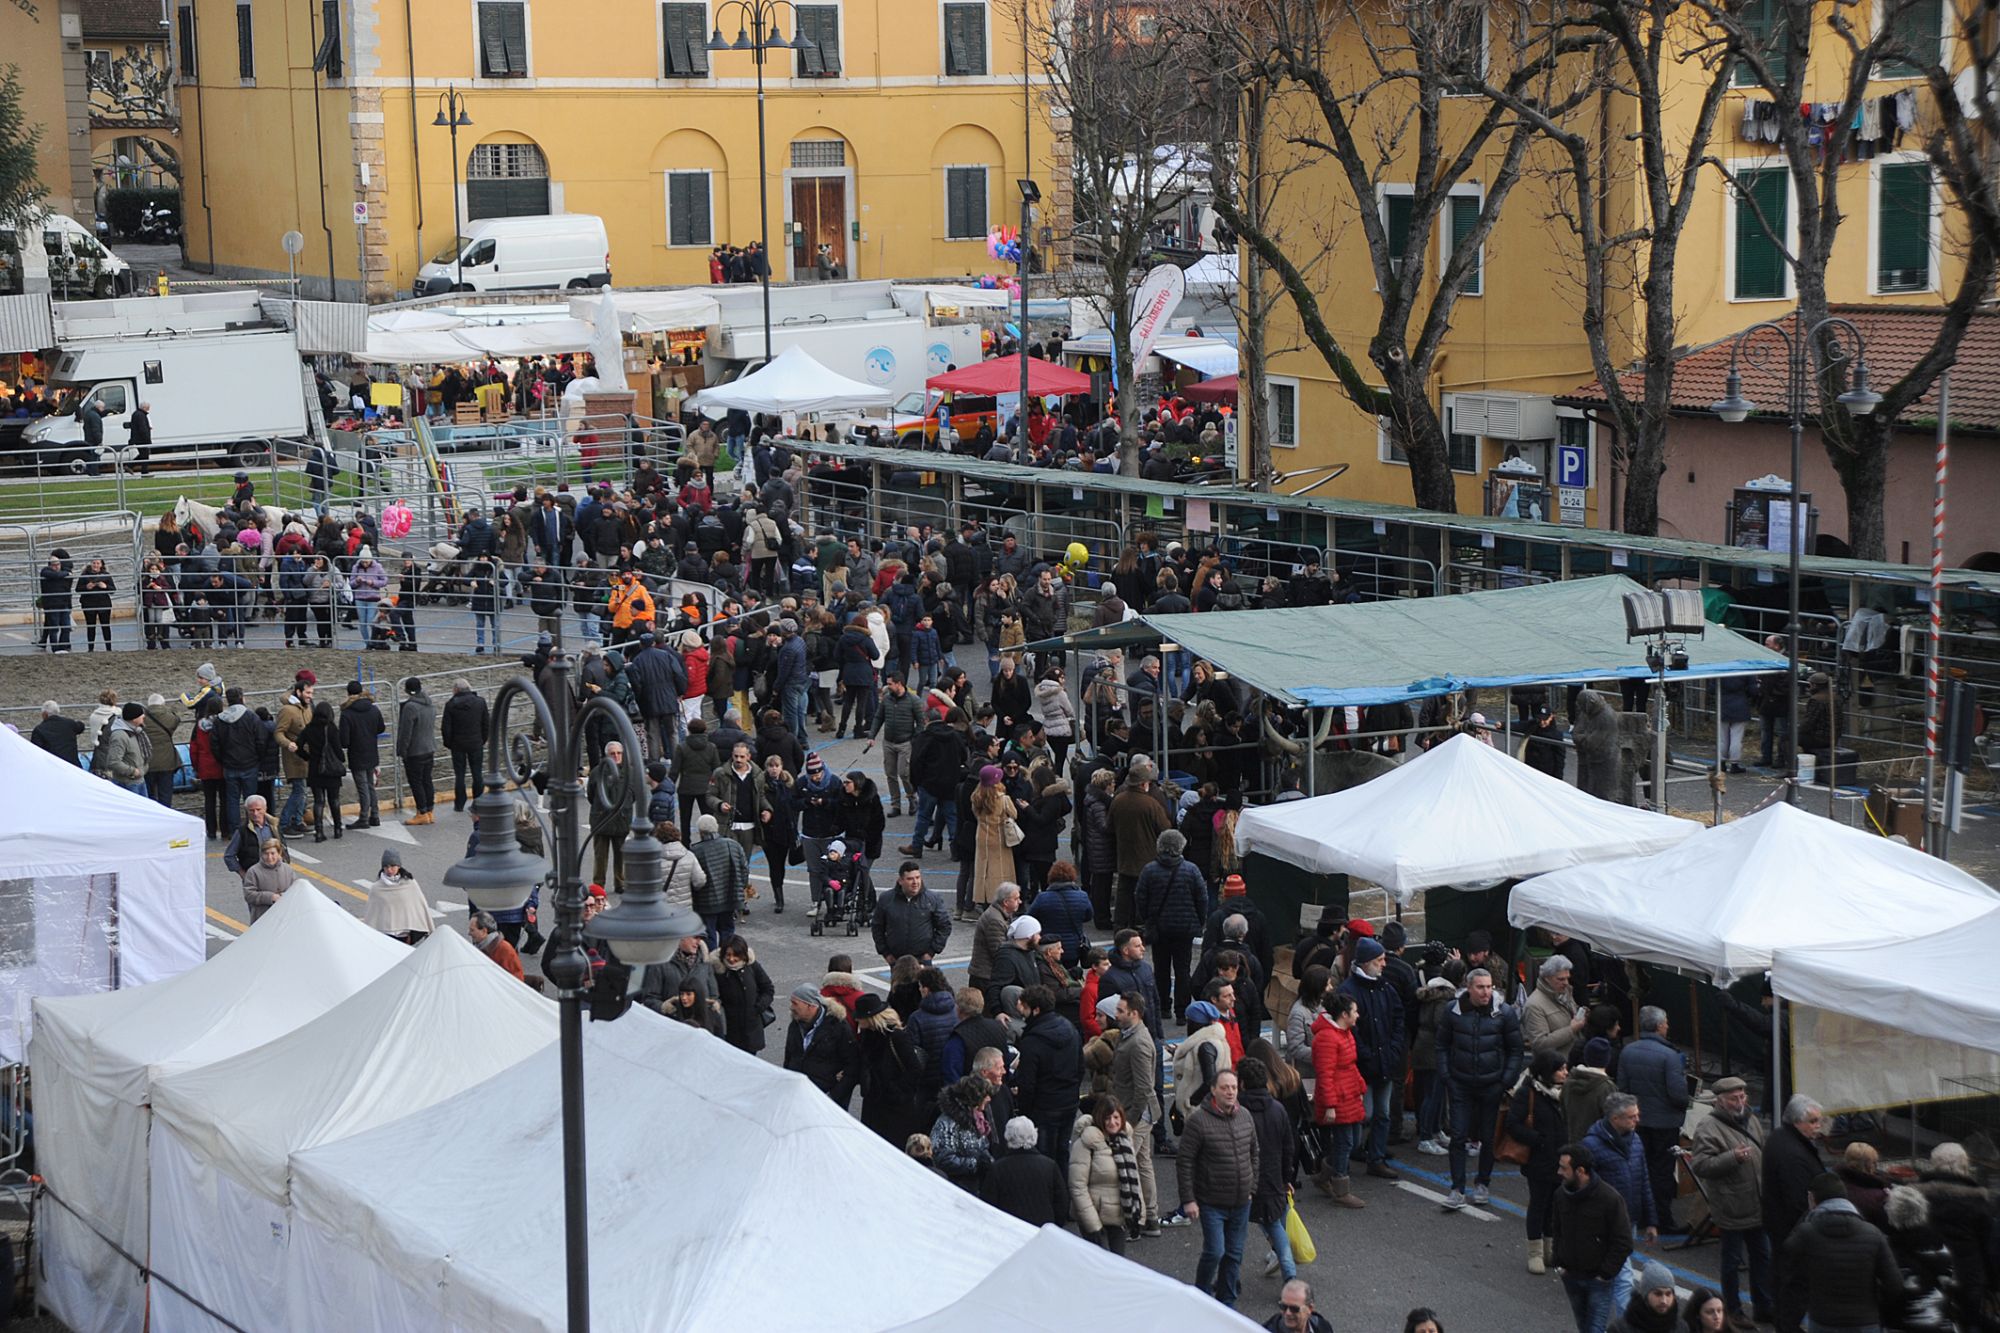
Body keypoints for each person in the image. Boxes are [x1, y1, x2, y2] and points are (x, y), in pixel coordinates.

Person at [1436, 966, 1525, 1210]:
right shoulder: (1452, 1011)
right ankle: (1457, 1189)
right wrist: (1447, 1076)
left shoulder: (1504, 1013)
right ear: (1469, 987)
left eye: (1489, 987)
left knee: (1487, 1137)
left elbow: (1516, 1050)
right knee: (1458, 1136)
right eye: (1481, 987)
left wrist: (1505, 1081)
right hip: (1460, 1084)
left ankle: (1482, 1183)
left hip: (1491, 1085)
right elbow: (1442, 1045)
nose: (1486, 992)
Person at [1688, 1075, 1772, 1326]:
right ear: (1720, 1101)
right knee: (1732, 1262)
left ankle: (1764, 1306)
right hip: (1732, 1205)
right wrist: (1732, 1157)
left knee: (1762, 1257)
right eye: (1734, 1098)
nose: (1740, 1102)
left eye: (1743, 1097)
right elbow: (1701, 1165)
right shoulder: (1708, 1127)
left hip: (1756, 1202)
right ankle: (1733, 1310)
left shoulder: (1751, 1119)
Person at [1178, 1069, 1260, 1310]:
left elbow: (1255, 1152)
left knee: (1234, 1255)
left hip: (1241, 1202)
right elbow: (1184, 1161)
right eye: (1225, 1087)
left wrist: (1252, 1187)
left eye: (1233, 1087)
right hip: (1212, 1202)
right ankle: (1201, 1295)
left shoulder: (1245, 1116)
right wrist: (1189, 1200)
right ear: (1213, 1090)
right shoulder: (1198, 1121)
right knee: (1215, 1251)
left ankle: (1226, 1305)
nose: (1230, 1092)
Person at [1781, 1173, 1902, 1333]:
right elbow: (1894, 1284)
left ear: (1812, 1198)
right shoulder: (1873, 1234)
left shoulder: (1806, 1233)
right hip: (1865, 1322)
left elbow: (1789, 1271)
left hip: (1823, 1321)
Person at [1585, 1093, 1660, 1317]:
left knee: (1613, 1277)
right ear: (1615, 1119)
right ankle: (1630, 1325)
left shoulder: (1635, 1140)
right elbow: (1585, 1189)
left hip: (1630, 1219)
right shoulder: (1591, 1146)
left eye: (1637, 1115)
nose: (1637, 1120)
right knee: (1623, 1277)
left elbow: (1643, 1180)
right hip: (1606, 1223)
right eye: (1632, 1117)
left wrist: (1652, 1221)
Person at [1338, 933, 1405, 1183]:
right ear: (1366, 961)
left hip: (1384, 1060)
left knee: (1382, 1113)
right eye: (1379, 960)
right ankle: (1348, 1155)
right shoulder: (1348, 991)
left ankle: (1375, 1158)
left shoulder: (1385, 987)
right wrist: (1366, 1054)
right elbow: (1349, 1029)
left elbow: (1398, 1018)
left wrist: (1394, 1048)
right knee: (1362, 1114)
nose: (1384, 964)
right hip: (1363, 1066)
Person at [1619, 1005, 1691, 1233]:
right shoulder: (1670, 1057)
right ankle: (1661, 1218)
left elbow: (1622, 1088)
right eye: (1666, 1022)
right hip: (1665, 1123)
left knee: (1640, 1167)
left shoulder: (1628, 1051)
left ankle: (1640, 1214)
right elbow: (1678, 1094)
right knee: (1662, 1171)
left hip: (1637, 1121)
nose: (1668, 1026)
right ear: (1660, 1026)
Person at [1553, 1142, 1635, 1333]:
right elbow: (1557, 1229)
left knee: (1595, 1329)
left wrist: (1605, 1273)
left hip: (1598, 1280)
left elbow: (1623, 1242)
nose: (1559, 1172)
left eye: (1564, 1168)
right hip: (1571, 1276)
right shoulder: (1560, 1195)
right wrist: (1559, 1261)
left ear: (1580, 1171)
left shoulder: (1610, 1199)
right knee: (1583, 1326)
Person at [1766, 1094, 1827, 1332]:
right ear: (1796, 1121)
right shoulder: (1793, 1155)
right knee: (1795, 1284)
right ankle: (1787, 1325)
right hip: (1792, 1230)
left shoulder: (1780, 1137)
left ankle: (1784, 1322)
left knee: (1784, 1279)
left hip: (1780, 1226)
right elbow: (1798, 1202)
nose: (1817, 1127)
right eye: (1812, 1121)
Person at [1135, 828, 1210, 1023]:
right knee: (1182, 970)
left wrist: (1148, 919)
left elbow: (1140, 898)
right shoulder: (1191, 870)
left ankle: (1163, 1008)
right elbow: (1202, 899)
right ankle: (1182, 1010)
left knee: (1160, 969)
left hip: (1159, 928)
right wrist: (1199, 921)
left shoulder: (1149, 870)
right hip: (1184, 928)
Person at [1238, 1056, 1299, 1285]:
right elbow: (1288, 1146)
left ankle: (1288, 1273)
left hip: (1245, 1179)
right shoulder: (1277, 1109)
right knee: (1276, 1222)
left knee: (1243, 1229)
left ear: (1241, 1083)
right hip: (1274, 1178)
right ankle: (1286, 1270)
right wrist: (1287, 1177)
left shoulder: (1238, 1111)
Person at [1510, 1048, 1569, 1274]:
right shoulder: (1528, 1093)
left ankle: (1550, 1248)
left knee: (1554, 1206)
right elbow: (1513, 1125)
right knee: (1539, 1204)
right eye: (1560, 1069)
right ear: (1548, 1072)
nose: (1565, 1073)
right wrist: (1538, 1140)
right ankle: (1535, 1252)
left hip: (1561, 1160)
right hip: (1539, 1160)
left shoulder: (1563, 1093)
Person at [1309, 991, 1367, 1209]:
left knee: (1351, 1140)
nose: (1358, 1015)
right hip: (1339, 1097)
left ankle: (1323, 1176)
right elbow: (1325, 1073)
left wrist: (1359, 1086)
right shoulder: (1328, 1038)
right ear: (1344, 1014)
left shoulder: (1344, 1033)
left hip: (1349, 1093)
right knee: (1345, 1142)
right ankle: (1341, 1189)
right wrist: (1330, 1105)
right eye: (1355, 1011)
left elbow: (1350, 1065)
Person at [1013, 983, 1082, 1162]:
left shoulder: (1032, 1041)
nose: (1022, 1011)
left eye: (1026, 1007)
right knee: (1062, 1152)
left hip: (1044, 1107)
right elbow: (1080, 1066)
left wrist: (1025, 1112)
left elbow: (1027, 1083)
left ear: (1036, 1010)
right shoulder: (1070, 1029)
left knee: (1043, 1156)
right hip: (1069, 1101)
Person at [854, 993, 931, 1148]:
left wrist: (897, 1091)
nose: (856, 1019)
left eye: (860, 1016)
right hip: (874, 1105)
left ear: (870, 1018)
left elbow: (914, 1069)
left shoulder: (896, 1037)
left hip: (897, 1108)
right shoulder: (866, 1036)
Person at [1068, 1096, 1139, 1252]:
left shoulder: (1125, 1141)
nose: (1112, 1122)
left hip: (1118, 1217)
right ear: (1099, 1118)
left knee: (1118, 1265)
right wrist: (1093, 1226)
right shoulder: (1085, 1144)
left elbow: (1135, 1178)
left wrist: (1140, 1215)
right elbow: (1077, 1187)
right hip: (1095, 1216)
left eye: (1116, 1117)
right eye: (1107, 1118)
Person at [983, 1113, 1070, 1227]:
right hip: (1043, 1230)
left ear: (1008, 1137)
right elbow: (1062, 1203)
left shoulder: (997, 1169)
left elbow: (989, 1205)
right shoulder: (1049, 1166)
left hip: (1009, 1230)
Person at [782, 984, 858, 1105]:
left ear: (811, 1006)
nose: (791, 1007)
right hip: (799, 1092)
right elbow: (790, 1055)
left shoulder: (837, 1027)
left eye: (795, 1003)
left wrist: (833, 1096)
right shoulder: (795, 1025)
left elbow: (852, 1065)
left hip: (826, 1096)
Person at [871, 861, 952, 967]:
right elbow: (877, 927)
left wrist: (931, 952)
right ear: (900, 881)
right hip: (897, 960)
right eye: (910, 879)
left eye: (918, 877)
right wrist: (886, 953)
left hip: (922, 960)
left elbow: (944, 926)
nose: (915, 882)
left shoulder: (932, 899)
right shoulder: (886, 899)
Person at [930, 1074, 996, 1191]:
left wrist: (989, 1162)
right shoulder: (947, 1123)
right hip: (954, 1188)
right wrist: (975, 1164)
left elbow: (982, 1148)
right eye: (986, 1095)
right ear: (974, 1098)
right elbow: (943, 1159)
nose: (989, 1099)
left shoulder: (977, 1120)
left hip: (975, 1186)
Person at [711, 935, 774, 1054]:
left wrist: (758, 1007)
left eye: (735, 955)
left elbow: (768, 989)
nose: (731, 959)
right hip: (730, 1031)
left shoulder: (752, 966)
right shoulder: (718, 971)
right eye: (728, 955)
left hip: (751, 1030)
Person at [338, 681, 385, 830]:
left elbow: (344, 741)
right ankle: (375, 815)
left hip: (357, 753)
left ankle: (364, 817)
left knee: (363, 787)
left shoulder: (347, 713)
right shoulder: (373, 709)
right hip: (371, 751)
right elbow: (381, 728)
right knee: (370, 785)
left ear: (348, 693)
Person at [441, 679, 490, 812]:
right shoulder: (480, 702)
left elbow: (446, 728)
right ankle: (478, 802)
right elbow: (486, 723)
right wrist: (482, 740)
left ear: (456, 690)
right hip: (475, 742)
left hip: (457, 744)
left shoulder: (450, 705)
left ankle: (459, 804)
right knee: (477, 773)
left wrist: (449, 743)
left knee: (460, 775)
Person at [364, 849, 432, 944]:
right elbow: (371, 914)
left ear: (399, 866)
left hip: (403, 935)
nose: (389, 870)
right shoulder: (376, 888)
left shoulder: (410, 883)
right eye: (386, 866)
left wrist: (412, 936)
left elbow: (420, 907)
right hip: (384, 935)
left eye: (392, 866)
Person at [1524, 954, 1585, 1058]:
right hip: (1554, 1067)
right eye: (1560, 979)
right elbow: (1540, 1044)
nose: (1566, 983)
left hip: (1573, 1059)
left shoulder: (1564, 993)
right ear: (1547, 978)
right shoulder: (1534, 1005)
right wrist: (1571, 1030)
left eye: (1567, 978)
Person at [397, 677, 438, 825]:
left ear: (407, 690)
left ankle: (421, 812)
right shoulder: (430, 704)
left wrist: (402, 750)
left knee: (417, 782)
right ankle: (429, 811)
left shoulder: (410, 707)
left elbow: (405, 732)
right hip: (429, 747)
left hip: (415, 750)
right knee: (427, 780)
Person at [1609, 1262, 1682, 1333]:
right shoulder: (1620, 1329)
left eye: (1668, 1294)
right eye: (1658, 1294)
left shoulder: (1681, 1328)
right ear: (1644, 1295)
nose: (1664, 1301)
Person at [241, 838, 296, 923]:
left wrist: (283, 896)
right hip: (262, 918)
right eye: (266, 854)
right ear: (261, 854)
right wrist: (271, 897)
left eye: (273, 853)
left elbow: (295, 891)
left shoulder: (288, 870)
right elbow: (249, 895)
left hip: (284, 918)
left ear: (279, 853)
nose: (269, 857)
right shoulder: (253, 871)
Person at [468, 911, 525, 980]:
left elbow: (517, 979)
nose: (469, 933)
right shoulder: (479, 947)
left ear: (484, 931)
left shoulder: (505, 950)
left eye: (472, 930)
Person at [1263, 1279, 1334, 1333]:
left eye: (1294, 1308)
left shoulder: (1323, 1326)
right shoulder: (1265, 1330)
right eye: (1283, 1306)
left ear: (1310, 1309)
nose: (1288, 1313)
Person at [30, 701, 87, 766]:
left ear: (45, 715)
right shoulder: (69, 723)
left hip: (52, 766)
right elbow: (81, 727)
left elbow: (35, 751)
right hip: (72, 765)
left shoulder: (39, 730)